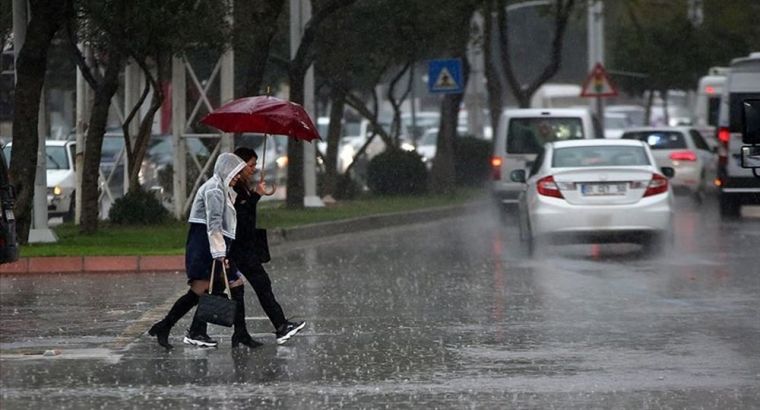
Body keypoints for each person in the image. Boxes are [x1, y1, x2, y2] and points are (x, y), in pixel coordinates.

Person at [148, 152, 247, 350]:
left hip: (211, 245)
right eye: (236, 172)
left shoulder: (223, 189)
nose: (238, 176)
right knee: (200, 290)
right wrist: (220, 254)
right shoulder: (214, 190)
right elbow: (214, 224)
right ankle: (173, 327)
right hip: (205, 246)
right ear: (225, 170)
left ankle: (189, 330)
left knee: (210, 289)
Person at [230, 146, 306, 345]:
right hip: (239, 248)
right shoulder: (233, 188)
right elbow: (239, 217)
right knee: (260, 285)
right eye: (251, 165)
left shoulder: (242, 186)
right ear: (239, 165)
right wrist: (254, 197)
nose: (254, 169)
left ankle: (240, 333)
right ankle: (280, 326)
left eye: (255, 165)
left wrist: (256, 194)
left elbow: (245, 215)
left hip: (243, 246)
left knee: (238, 291)